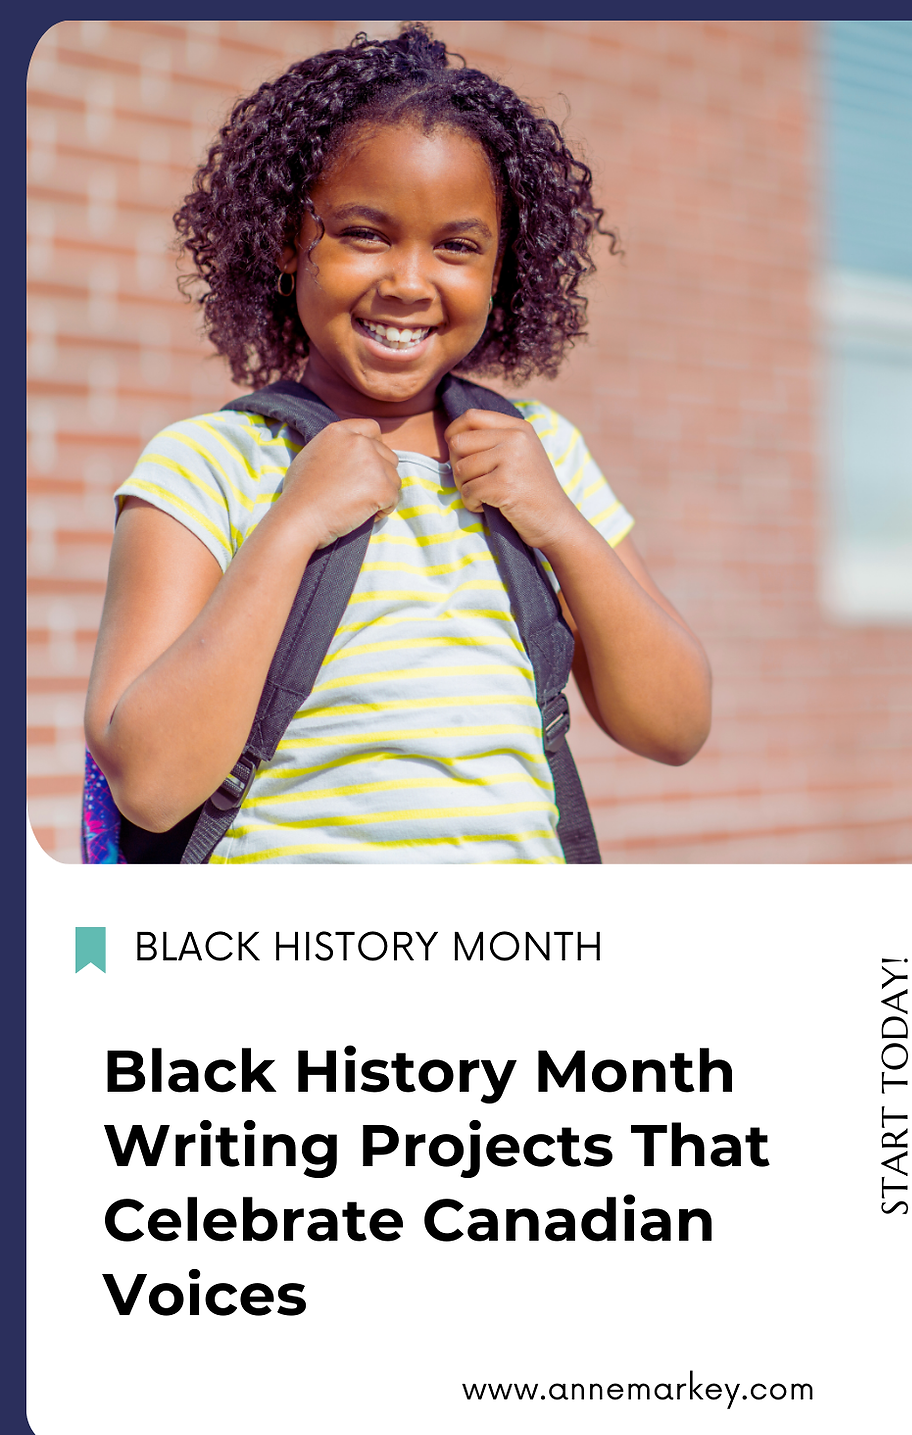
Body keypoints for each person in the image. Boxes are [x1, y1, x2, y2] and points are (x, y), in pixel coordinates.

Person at [84, 24, 711, 865]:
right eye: (365, 233)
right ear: (285, 240)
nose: (409, 282)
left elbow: (675, 726)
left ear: (500, 270)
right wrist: (293, 523)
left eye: (457, 246)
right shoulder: (209, 465)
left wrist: (558, 522)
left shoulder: (544, 454)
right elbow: (150, 781)